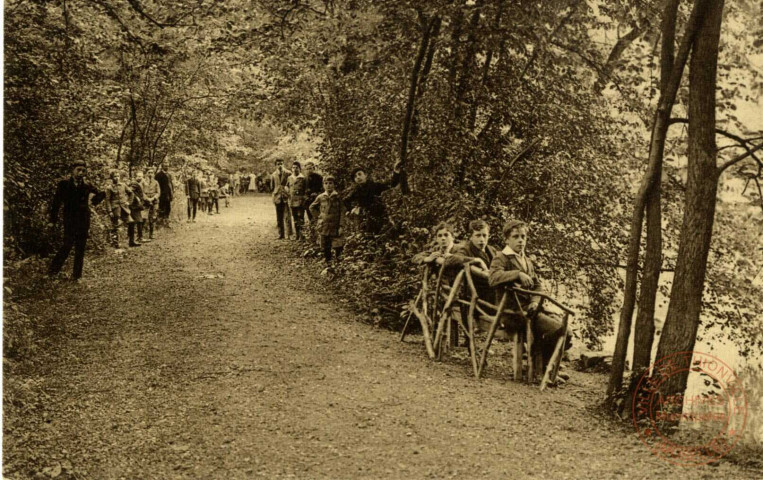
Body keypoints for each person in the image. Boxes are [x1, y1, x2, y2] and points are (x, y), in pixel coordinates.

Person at [488, 219, 572, 367]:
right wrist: (517, 274)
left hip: (530, 309)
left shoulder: (526, 260)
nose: (520, 240)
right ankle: (542, 368)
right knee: (557, 329)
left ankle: (543, 366)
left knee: (567, 332)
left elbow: (538, 286)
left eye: (523, 236)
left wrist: (534, 302)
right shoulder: (501, 257)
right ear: (507, 239)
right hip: (512, 312)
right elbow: (493, 278)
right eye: (515, 237)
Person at [47, 160, 105, 280]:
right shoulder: (64, 184)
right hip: (70, 219)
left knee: (80, 246)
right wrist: (52, 220)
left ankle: (76, 276)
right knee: (67, 245)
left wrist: (96, 200)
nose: (80, 173)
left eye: (83, 170)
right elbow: (56, 203)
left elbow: (99, 195)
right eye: (78, 170)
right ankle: (52, 271)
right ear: (72, 170)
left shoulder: (87, 185)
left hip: (84, 219)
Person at [344, 161, 403, 234]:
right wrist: (352, 209)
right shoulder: (356, 191)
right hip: (366, 219)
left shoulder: (374, 186)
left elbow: (391, 184)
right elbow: (345, 201)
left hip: (380, 215)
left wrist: (396, 172)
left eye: (360, 174)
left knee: (388, 234)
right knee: (368, 239)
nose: (358, 177)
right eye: (355, 177)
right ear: (354, 180)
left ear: (365, 175)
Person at [309, 175, 345, 263]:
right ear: (323, 185)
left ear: (334, 185)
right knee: (325, 244)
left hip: (335, 225)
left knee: (338, 245)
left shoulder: (338, 197)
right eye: (326, 183)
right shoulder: (321, 197)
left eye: (330, 183)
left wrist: (341, 226)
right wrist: (319, 216)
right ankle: (328, 262)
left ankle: (338, 263)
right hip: (324, 225)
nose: (328, 185)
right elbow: (312, 207)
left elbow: (342, 212)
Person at [104, 169, 132, 248]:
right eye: (115, 176)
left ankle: (130, 241)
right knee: (115, 225)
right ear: (112, 178)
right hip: (115, 208)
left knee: (130, 222)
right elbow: (108, 200)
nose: (116, 178)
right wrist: (110, 211)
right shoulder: (109, 188)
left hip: (124, 208)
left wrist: (128, 202)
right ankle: (115, 243)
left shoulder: (123, 185)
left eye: (118, 176)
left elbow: (131, 193)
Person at [286, 161, 307, 240]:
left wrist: (303, 198)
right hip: (292, 201)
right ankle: (297, 234)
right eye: (293, 168)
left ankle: (302, 235)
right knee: (294, 217)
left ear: (300, 169)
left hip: (300, 201)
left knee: (300, 217)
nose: (295, 169)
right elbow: (287, 187)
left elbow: (305, 190)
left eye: (296, 168)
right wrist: (287, 193)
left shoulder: (303, 178)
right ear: (291, 169)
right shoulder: (289, 178)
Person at [271, 159, 290, 239]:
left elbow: (290, 185)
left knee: (287, 216)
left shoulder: (288, 173)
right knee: (279, 217)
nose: (280, 165)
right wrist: (274, 195)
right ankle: (281, 234)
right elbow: (272, 187)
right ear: (276, 165)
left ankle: (289, 234)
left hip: (286, 196)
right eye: (278, 164)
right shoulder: (273, 175)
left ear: (283, 164)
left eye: (281, 163)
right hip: (277, 197)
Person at [141, 167, 161, 241]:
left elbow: (158, 192)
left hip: (154, 202)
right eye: (149, 172)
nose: (150, 174)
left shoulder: (156, 182)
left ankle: (151, 234)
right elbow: (141, 192)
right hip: (145, 202)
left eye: (151, 172)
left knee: (153, 218)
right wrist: (147, 199)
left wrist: (153, 198)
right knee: (143, 218)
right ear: (146, 173)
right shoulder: (143, 183)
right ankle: (141, 235)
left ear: (153, 174)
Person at [128, 171, 147, 245]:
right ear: (135, 176)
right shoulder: (134, 183)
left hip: (136, 206)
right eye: (138, 176)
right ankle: (138, 238)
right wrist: (136, 198)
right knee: (138, 221)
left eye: (141, 176)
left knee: (138, 221)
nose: (140, 178)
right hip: (134, 206)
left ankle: (137, 237)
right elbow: (131, 191)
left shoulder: (138, 183)